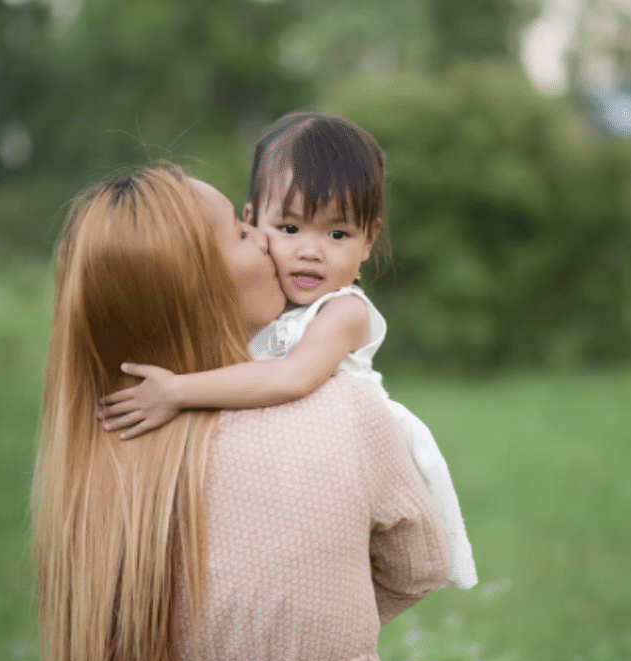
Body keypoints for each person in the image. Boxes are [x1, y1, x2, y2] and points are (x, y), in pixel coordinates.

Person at [31, 163, 448, 661]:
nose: (267, 241)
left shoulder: (96, 453)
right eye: (240, 229)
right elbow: (418, 566)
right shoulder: (343, 408)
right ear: (198, 283)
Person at [97, 113, 477, 589]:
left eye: (337, 234)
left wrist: (176, 390)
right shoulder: (262, 297)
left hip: (346, 466)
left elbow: (291, 377)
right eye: (290, 228)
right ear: (253, 220)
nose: (310, 251)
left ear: (369, 241)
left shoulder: (343, 313)